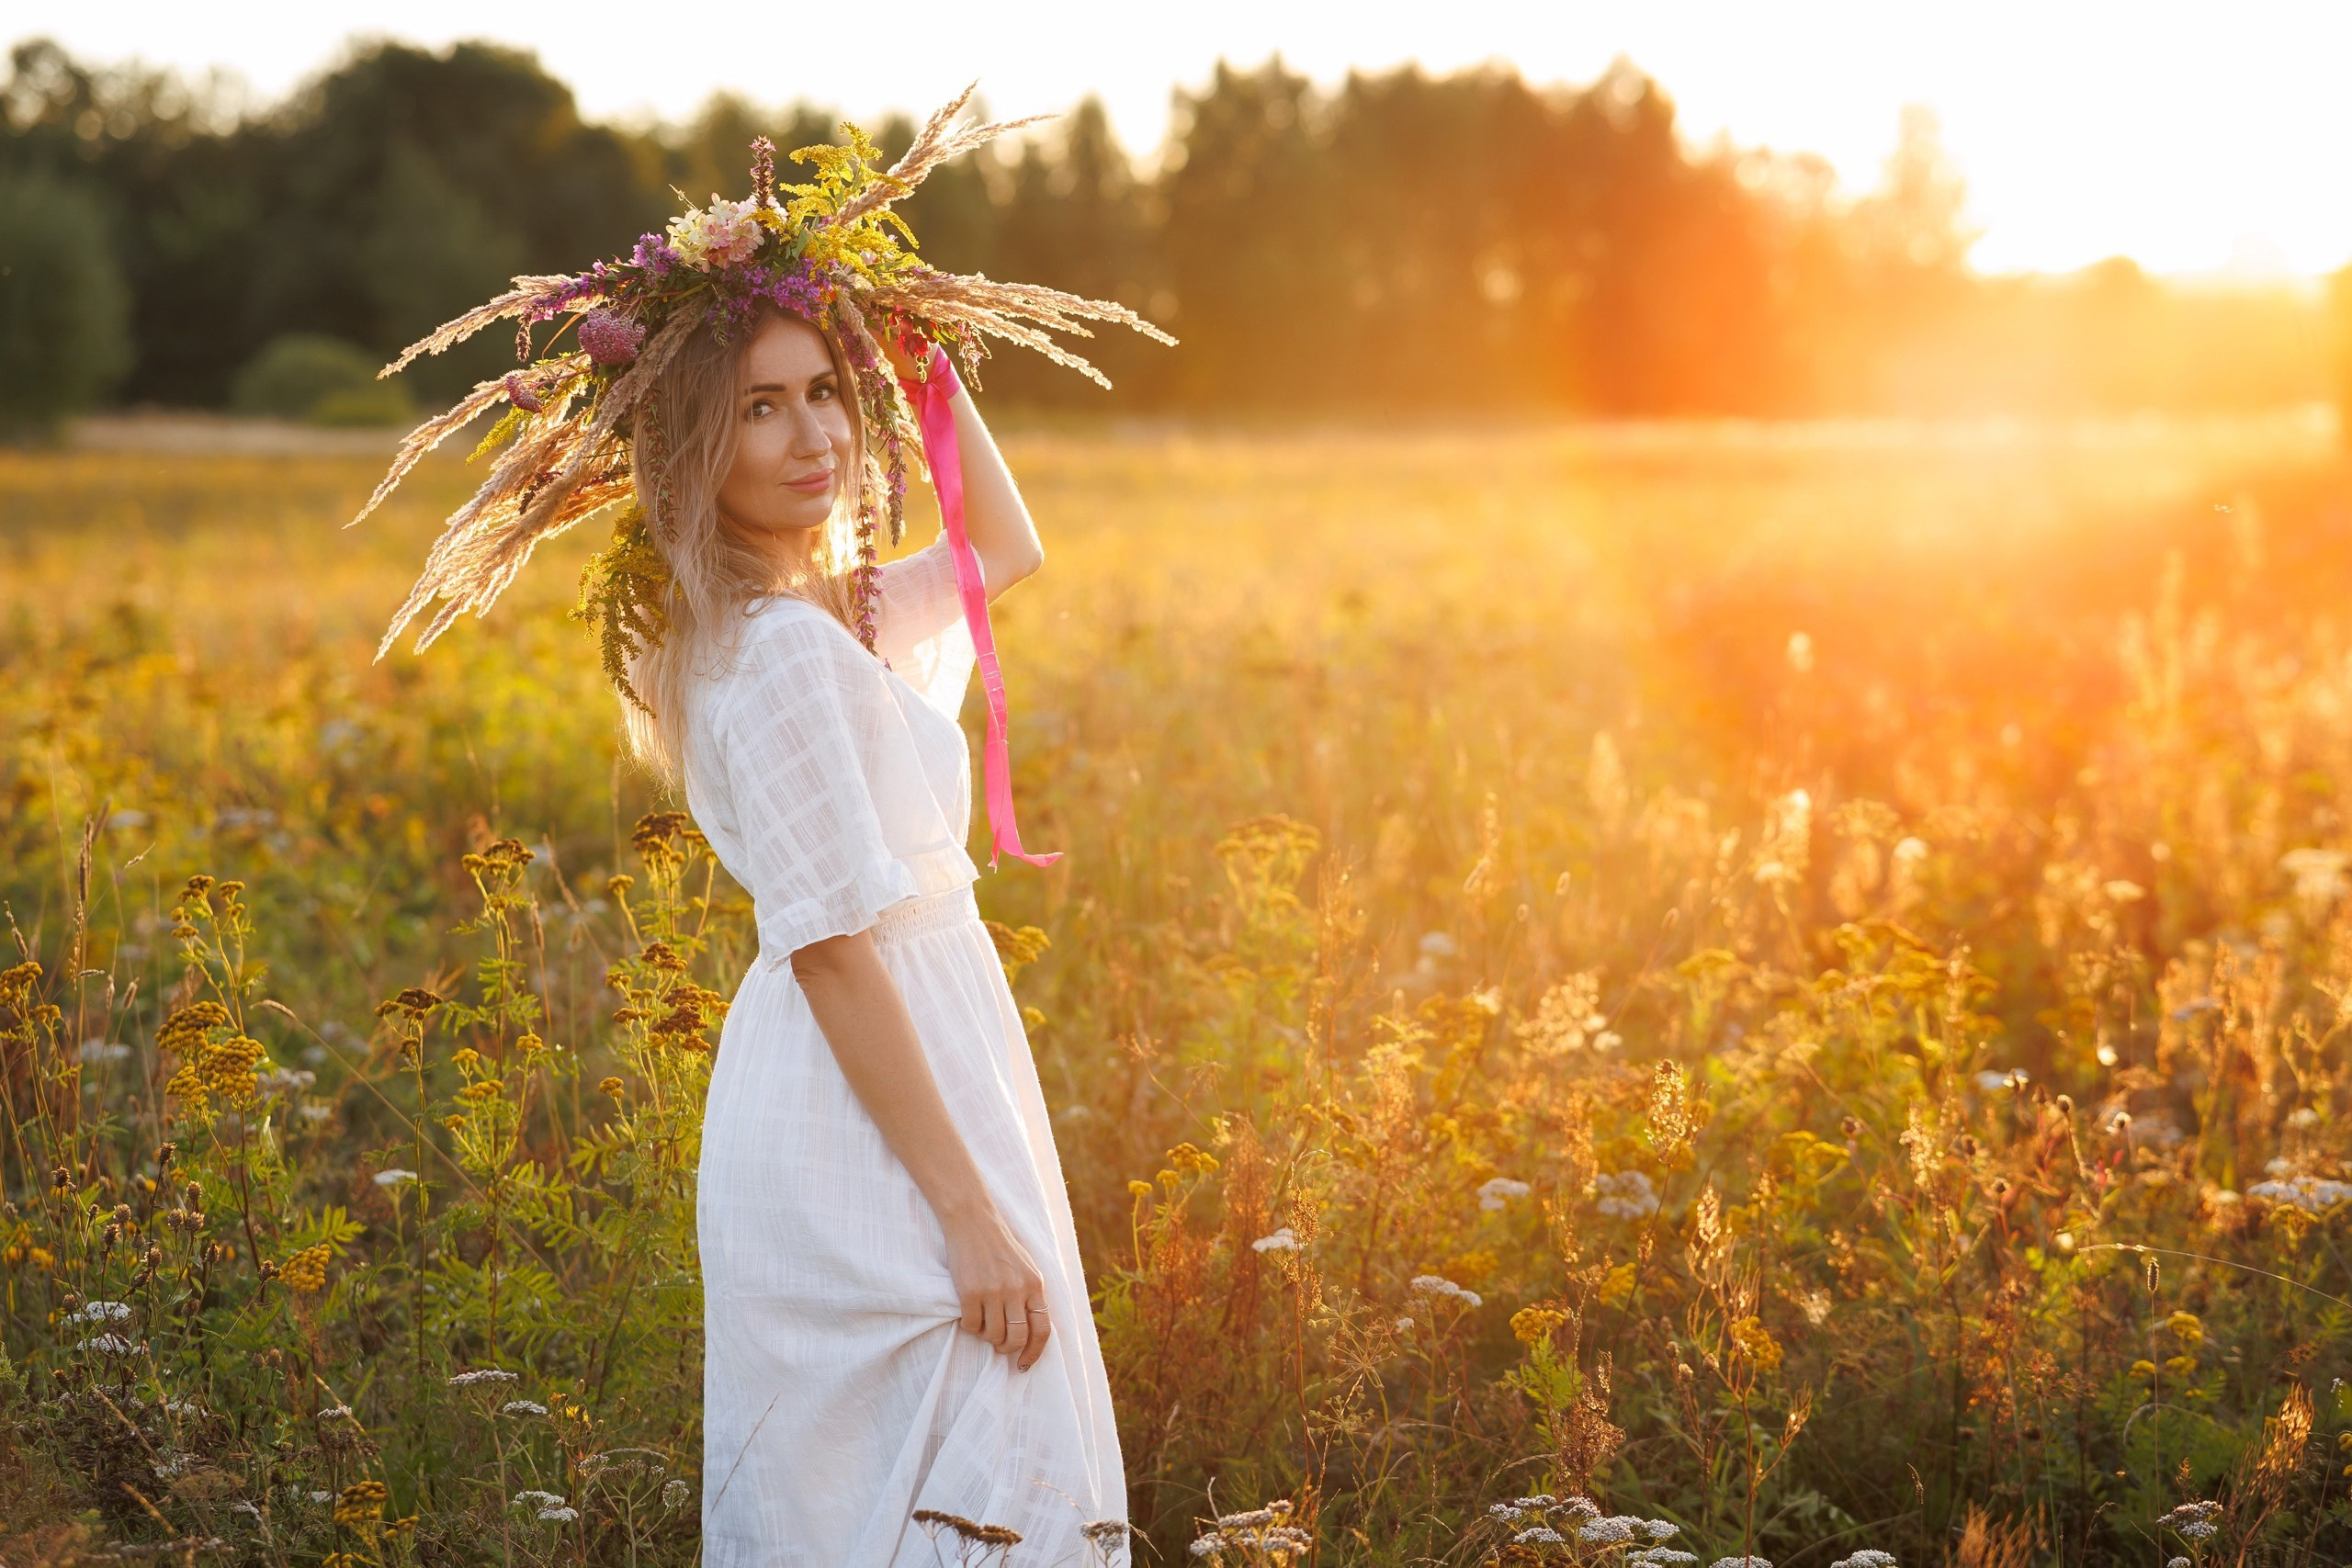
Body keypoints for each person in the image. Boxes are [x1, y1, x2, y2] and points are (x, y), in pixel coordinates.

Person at [356, 89, 1169, 1566]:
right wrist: (973, 1216)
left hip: (921, 1052)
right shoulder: (781, 650)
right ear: (696, 445)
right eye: (759, 405)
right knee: (939, 1463)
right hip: (876, 1096)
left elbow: (1003, 549)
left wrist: (910, 344)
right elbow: (834, 951)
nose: (810, 437)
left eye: (821, 393)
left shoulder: (818, 611)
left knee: (919, 1480)